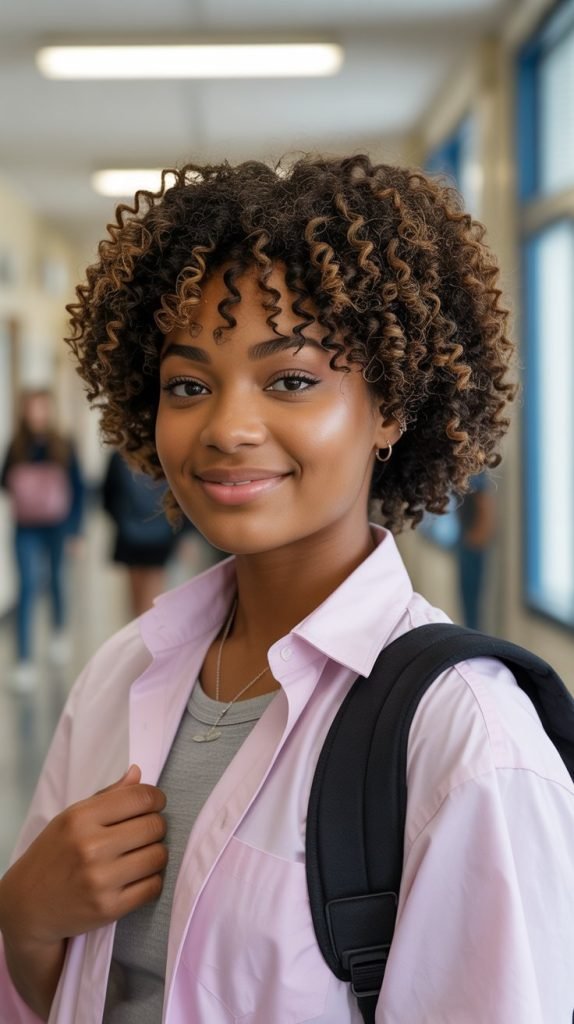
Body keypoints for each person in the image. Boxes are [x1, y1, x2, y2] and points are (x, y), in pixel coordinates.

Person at [0, 156, 572, 1023]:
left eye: (292, 379)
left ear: (390, 407)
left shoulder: (464, 741)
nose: (228, 426)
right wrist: (28, 919)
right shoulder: (123, 673)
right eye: (188, 384)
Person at [1, 388, 84, 690]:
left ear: (49, 410)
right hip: (25, 526)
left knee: (57, 579)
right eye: (31, 408)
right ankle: (24, 660)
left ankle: (58, 630)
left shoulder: (62, 444)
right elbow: (5, 481)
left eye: (41, 408)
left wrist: (77, 531)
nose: (36, 414)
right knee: (27, 585)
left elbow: (78, 488)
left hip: (58, 524)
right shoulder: (16, 446)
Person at [102, 449, 180, 617]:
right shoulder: (165, 453)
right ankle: (147, 635)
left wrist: (121, 520)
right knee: (153, 594)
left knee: (136, 594)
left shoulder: (119, 456)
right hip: (160, 531)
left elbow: (107, 496)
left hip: (132, 532)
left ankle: (141, 633)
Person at [455, 471, 498, 630]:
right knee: (468, 601)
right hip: (468, 539)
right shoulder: (470, 473)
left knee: (473, 603)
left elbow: (483, 504)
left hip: (473, 542)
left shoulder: (476, 474)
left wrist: (477, 538)